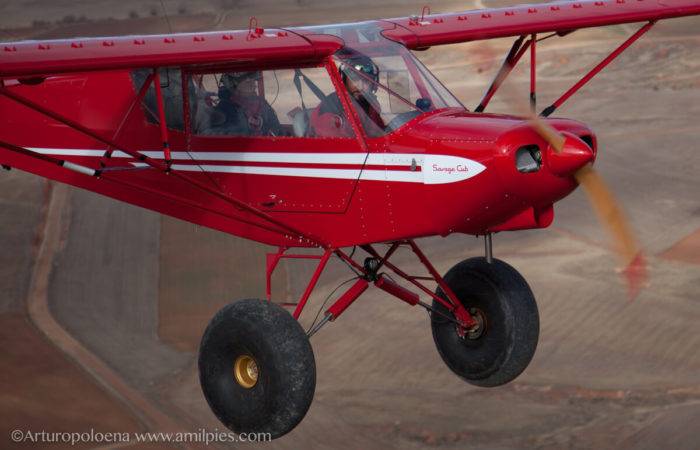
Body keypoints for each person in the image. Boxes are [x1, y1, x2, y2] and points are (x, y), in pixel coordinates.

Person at [312, 54, 386, 138]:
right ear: (344, 80)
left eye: (366, 81)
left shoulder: (369, 103)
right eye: (354, 79)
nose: (360, 86)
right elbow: (340, 143)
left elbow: (379, 131)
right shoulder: (330, 107)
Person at [218, 71, 281, 136]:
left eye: (252, 78)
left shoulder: (262, 102)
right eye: (245, 79)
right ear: (233, 84)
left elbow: (277, 128)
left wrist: (261, 124)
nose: (251, 82)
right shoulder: (224, 107)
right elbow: (224, 136)